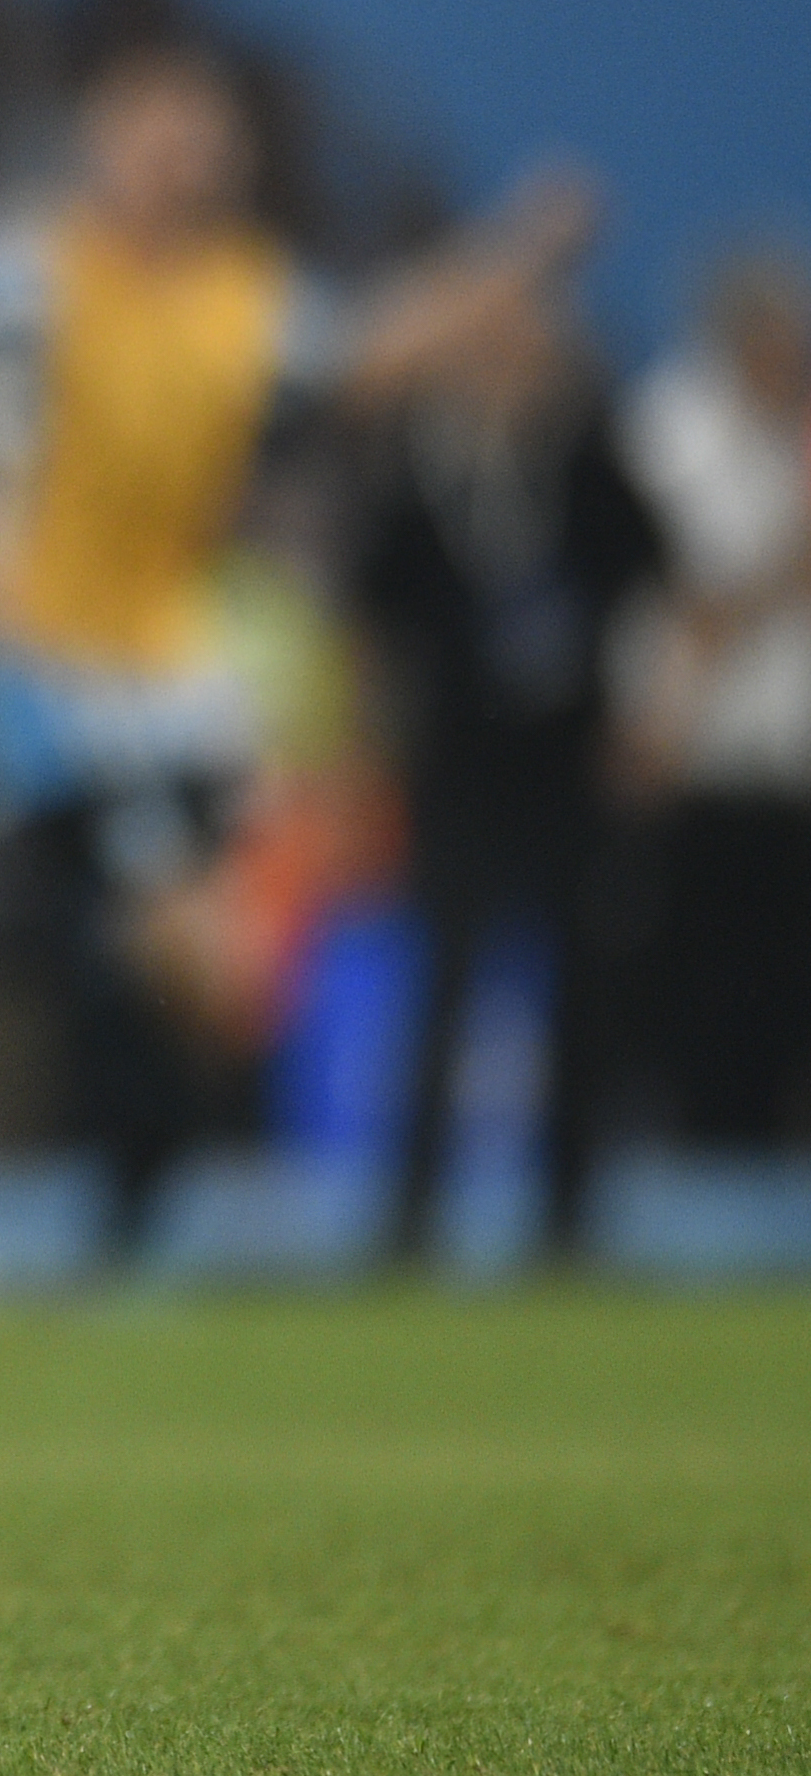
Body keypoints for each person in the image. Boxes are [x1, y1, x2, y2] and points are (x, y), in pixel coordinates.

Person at [0, 41, 593, 1255]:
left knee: (211, 985)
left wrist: (518, 257)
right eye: (154, 137)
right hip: (30, 661)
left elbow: (381, 351)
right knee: (158, 947)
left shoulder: (247, 300)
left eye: (201, 142)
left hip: (170, 678)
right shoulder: (24, 273)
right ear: (98, 143)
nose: (179, 165)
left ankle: (128, 1196)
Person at [344, 274, 665, 1264]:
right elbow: (371, 619)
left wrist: (643, 719)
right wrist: (367, 743)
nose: (502, 364)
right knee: (441, 984)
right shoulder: (417, 472)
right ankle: (413, 1216)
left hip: (566, 761)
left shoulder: (584, 460)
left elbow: (651, 576)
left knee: (582, 985)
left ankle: (568, 1213)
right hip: (455, 763)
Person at [617, 250, 811, 1149]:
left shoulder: (795, 434)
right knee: (702, 988)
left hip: (792, 760)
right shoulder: (670, 434)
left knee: (786, 994)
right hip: (700, 755)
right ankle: (695, 1181)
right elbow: (693, 607)